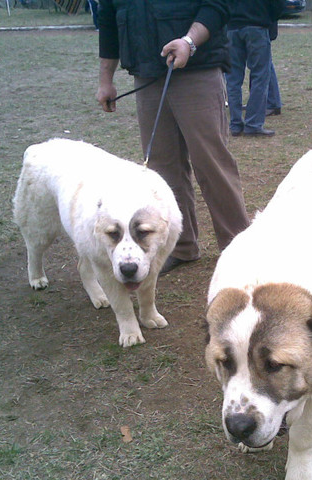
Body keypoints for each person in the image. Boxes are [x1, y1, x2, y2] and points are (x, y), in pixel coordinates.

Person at [96, 0, 251, 274]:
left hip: (198, 69)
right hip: (146, 75)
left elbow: (217, 5)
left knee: (212, 164)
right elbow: (108, 23)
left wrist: (189, 42)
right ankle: (181, 247)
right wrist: (105, 79)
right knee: (162, 168)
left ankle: (240, 248)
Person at [225, 0, 285, 137]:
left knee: (233, 79)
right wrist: (269, 19)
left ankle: (235, 124)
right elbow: (279, 5)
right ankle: (253, 124)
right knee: (260, 76)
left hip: (232, 28)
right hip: (257, 26)